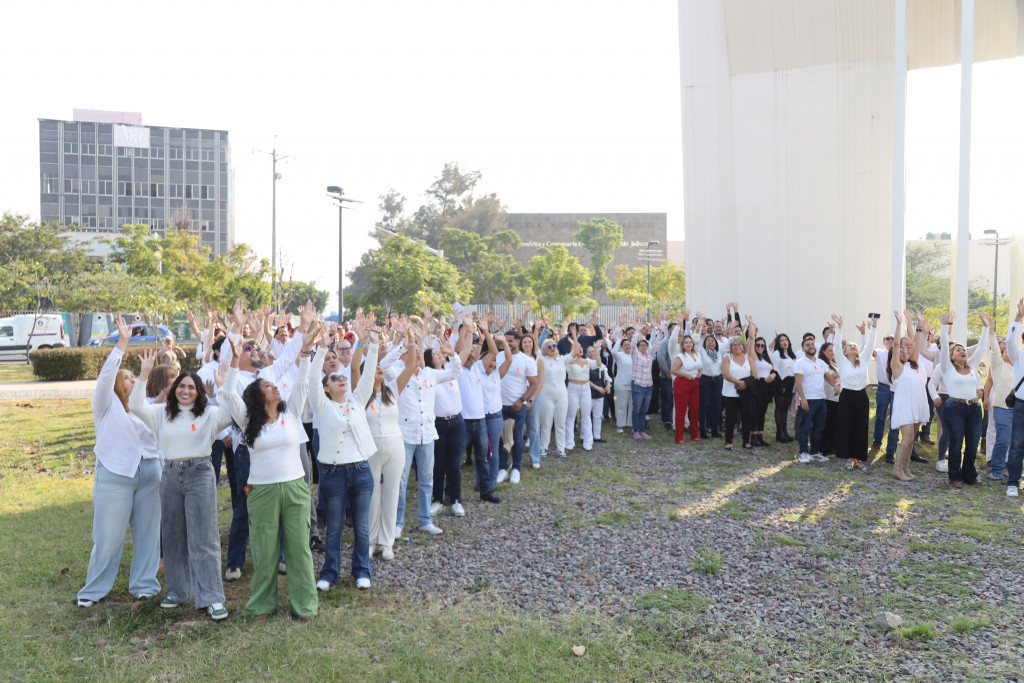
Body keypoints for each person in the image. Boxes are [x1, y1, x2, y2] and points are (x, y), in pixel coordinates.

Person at [220, 322, 318, 617]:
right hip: (261, 491)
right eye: (266, 385)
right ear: (256, 396)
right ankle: (263, 604)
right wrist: (235, 361)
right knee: (264, 550)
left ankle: (305, 606)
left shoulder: (292, 413)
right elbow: (228, 395)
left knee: (300, 550)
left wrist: (306, 349)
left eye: (273, 384)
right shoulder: (248, 420)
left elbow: (302, 382)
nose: (274, 385)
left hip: (295, 488)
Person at [129, 349, 234, 620]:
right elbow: (136, 405)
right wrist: (143, 375)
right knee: (173, 537)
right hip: (170, 474)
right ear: (174, 389)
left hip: (199, 474)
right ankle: (178, 592)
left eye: (191, 387)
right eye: (181, 386)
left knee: (204, 538)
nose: (185, 390)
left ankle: (212, 598)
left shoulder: (209, 414)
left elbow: (232, 412)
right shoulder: (162, 413)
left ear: (199, 392)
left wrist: (222, 387)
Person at [76, 316, 162, 608]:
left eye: (133, 377)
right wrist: (121, 345)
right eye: (127, 376)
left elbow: (158, 439)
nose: (132, 379)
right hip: (115, 475)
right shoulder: (104, 405)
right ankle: (92, 592)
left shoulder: (143, 407)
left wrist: (146, 374)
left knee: (149, 535)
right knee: (109, 537)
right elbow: (105, 377)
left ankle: (145, 586)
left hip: (149, 475)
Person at [306, 316, 379, 592]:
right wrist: (322, 349)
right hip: (333, 473)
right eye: (335, 378)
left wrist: (371, 346)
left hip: (360, 470)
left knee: (360, 527)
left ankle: (362, 571)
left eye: (342, 378)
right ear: (327, 387)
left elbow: (368, 375)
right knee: (334, 528)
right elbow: (313, 379)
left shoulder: (357, 401)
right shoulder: (321, 406)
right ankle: (330, 573)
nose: (341, 380)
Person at [395, 323, 464, 535]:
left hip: (427, 435)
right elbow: (386, 361)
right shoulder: (397, 374)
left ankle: (425, 520)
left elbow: (456, 372)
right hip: (406, 435)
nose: (417, 357)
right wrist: (403, 343)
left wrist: (453, 355)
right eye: (412, 353)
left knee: (427, 480)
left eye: (419, 354)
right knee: (401, 482)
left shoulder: (431, 375)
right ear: (404, 358)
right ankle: (398, 523)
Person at [937, 311, 989, 489]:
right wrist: (945, 327)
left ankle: (970, 475)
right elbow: (944, 347)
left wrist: (986, 329)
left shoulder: (973, 366)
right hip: (954, 408)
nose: (962, 351)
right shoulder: (947, 368)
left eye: (964, 350)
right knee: (956, 443)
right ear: (952, 356)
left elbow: (981, 348)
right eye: (958, 350)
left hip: (974, 408)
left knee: (973, 444)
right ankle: (955, 476)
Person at [887, 310, 930, 482]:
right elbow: (896, 345)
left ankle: (905, 468)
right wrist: (900, 325)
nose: (904, 351)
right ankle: (897, 469)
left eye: (906, 349)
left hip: (917, 405)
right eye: (901, 350)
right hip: (905, 406)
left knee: (912, 440)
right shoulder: (897, 367)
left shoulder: (913, 366)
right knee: (907, 439)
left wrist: (919, 324)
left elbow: (917, 344)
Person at [832, 315, 877, 470]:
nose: (852, 346)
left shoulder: (863, 360)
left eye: (855, 345)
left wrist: (874, 327)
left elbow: (870, 345)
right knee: (846, 426)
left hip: (861, 396)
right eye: (849, 345)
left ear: (859, 350)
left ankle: (858, 459)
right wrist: (839, 328)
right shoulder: (841, 360)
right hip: (846, 396)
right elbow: (836, 346)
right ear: (844, 352)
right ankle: (847, 458)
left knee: (861, 427)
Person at [494, 329, 539, 484]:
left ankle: (516, 469)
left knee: (518, 438)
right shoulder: (499, 356)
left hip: (517, 406)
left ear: (518, 341)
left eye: (510, 341)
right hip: (499, 405)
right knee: (501, 437)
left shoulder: (527, 360)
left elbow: (534, 384)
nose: (506, 343)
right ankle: (502, 469)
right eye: (504, 341)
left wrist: (522, 400)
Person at [793, 332, 831, 464]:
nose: (810, 346)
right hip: (808, 400)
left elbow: (829, 377)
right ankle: (803, 452)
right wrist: (802, 398)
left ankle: (815, 452)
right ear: (803, 348)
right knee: (805, 427)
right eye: (807, 345)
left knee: (819, 428)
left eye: (812, 344)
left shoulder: (821, 363)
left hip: (821, 399)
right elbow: (798, 382)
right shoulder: (800, 363)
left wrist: (836, 385)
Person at [985, 317, 1014, 482]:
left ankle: (1013, 469)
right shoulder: (998, 365)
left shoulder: (1019, 367)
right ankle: (996, 469)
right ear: (1002, 355)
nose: (1009, 353)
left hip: (1018, 408)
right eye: (1006, 351)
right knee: (1002, 439)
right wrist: (991, 330)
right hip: (1002, 407)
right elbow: (995, 350)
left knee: (1015, 441)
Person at [538, 336, 572, 458]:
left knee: (561, 423)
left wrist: (573, 337)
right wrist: (540, 330)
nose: (552, 348)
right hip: (546, 393)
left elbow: (575, 352)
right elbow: (536, 345)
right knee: (546, 422)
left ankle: (561, 448)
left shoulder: (562, 359)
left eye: (554, 346)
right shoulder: (541, 359)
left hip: (562, 393)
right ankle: (543, 448)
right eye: (549, 346)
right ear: (545, 349)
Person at [630, 318, 665, 439]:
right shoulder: (635, 354)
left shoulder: (649, 355)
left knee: (644, 410)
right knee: (637, 410)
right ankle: (636, 431)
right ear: (638, 347)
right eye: (642, 345)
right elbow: (633, 343)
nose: (644, 347)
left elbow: (657, 344)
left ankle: (642, 430)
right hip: (638, 385)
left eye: (645, 345)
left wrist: (659, 329)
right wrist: (638, 330)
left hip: (648, 386)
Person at [721, 333, 755, 451]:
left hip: (746, 392)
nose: (737, 347)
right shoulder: (727, 358)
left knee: (746, 417)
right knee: (731, 418)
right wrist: (738, 382)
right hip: (731, 393)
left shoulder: (749, 358)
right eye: (734, 345)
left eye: (739, 344)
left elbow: (754, 375)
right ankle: (728, 441)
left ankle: (746, 441)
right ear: (731, 347)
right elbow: (725, 374)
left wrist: (745, 384)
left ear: (743, 346)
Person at [565, 331, 596, 452]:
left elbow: (598, 363)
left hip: (586, 389)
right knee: (571, 416)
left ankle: (588, 441)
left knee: (586, 416)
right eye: (578, 348)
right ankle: (569, 441)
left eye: (581, 348)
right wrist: (574, 339)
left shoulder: (587, 361)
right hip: (573, 388)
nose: (580, 349)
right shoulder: (569, 361)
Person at [670, 331, 702, 444]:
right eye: (686, 342)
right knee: (681, 411)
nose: (688, 344)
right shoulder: (680, 356)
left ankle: (694, 434)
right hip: (682, 383)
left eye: (690, 342)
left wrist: (699, 373)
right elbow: (673, 370)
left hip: (694, 383)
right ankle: (679, 437)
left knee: (694, 410)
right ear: (683, 344)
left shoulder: (697, 354)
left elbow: (700, 366)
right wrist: (686, 375)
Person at [770, 333, 796, 443]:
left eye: (786, 339)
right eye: (781, 340)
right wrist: (780, 385)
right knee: (779, 408)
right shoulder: (776, 354)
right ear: (778, 343)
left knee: (785, 408)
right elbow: (775, 370)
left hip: (791, 382)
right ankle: (779, 433)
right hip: (781, 382)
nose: (784, 342)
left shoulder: (791, 354)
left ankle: (785, 431)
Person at [697, 327, 723, 439]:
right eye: (708, 341)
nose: (711, 342)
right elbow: (695, 339)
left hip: (717, 381)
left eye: (713, 341)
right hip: (705, 381)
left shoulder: (718, 353)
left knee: (716, 406)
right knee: (703, 406)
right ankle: (702, 429)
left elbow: (731, 342)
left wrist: (731, 330)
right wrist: (700, 325)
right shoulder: (702, 352)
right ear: (705, 343)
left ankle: (714, 429)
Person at [818, 342, 840, 456]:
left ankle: (834, 446)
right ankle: (825, 448)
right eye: (829, 350)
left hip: (837, 397)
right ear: (823, 352)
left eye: (833, 350)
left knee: (835, 423)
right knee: (827, 423)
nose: (832, 353)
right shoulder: (822, 363)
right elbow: (829, 378)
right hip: (828, 396)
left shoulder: (835, 363)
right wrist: (841, 372)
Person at [587, 344, 613, 443]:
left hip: (600, 395)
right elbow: (585, 380)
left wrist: (608, 384)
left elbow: (607, 377)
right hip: (589, 394)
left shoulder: (601, 365)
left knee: (598, 416)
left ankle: (597, 436)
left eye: (593, 351)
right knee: (587, 416)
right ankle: (585, 436)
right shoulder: (585, 364)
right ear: (586, 354)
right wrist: (597, 388)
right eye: (589, 352)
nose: (592, 353)